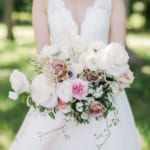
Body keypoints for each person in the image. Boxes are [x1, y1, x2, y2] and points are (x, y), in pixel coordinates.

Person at [10, 0, 141, 149]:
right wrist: (66, 86)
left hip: (104, 94)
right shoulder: (42, 2)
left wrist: (96, 84)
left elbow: (118, 54)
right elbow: (43, 56)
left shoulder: (114, 2)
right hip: (58, 93)